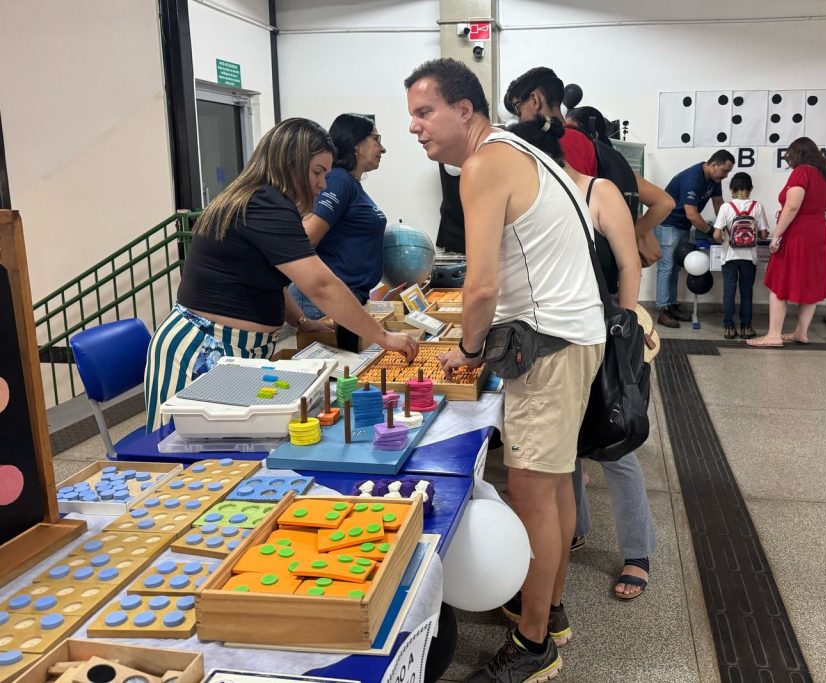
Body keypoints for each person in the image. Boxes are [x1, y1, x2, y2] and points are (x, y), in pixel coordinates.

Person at [405, 58, 605, 682]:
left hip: (549, 346)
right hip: (573, 336)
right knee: (554, 483)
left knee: (531, 494)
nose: (414, 126)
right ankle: (551, 607)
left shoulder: (484, 164)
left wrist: (467, 352)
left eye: (424, 112)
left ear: (464, 109)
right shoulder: (522, 151)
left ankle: (533, 644)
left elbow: (483, 284)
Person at [144, 118, 417, 431]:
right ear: (291, 164)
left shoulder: (267, 201)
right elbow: (320, 285)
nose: (323, 184)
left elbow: (271, 278)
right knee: (185, 451)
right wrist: (383, 337)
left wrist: (300, 321)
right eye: (317, 172)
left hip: (238, 348)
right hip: (201, 349)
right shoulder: (265, 203)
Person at [507, 114, 656, 602]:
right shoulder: (534, 197)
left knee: (615, 440)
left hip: (606, 329)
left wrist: (625, 328)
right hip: (558, 336)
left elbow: (630, 264)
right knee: (563, 446)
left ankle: (637, 551)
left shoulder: (598, 191)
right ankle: (573, 530)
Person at [287, 114, 388, 351]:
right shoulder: (338, 180)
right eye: (376, 139)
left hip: (345, 298)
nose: (382, 148)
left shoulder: (350, 183)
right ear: (356, 144)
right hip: (323, 302)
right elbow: (304, 240)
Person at [748, 137, 826, 347]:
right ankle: (801, 332)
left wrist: (777, 235)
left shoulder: (802, 172)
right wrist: (824, 209)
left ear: (796, 155)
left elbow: (793, 206)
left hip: (798, 232)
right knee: (811, 281)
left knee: (780, 282)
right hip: (819, 231)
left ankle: (773, 336)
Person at [566, 106, 674, 268]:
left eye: (573, 130)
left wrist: (629, 236)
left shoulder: (612, 166)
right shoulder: (608, 164)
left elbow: (665, 203)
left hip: (606, 261)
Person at [655, 151, 734, 328]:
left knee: (676, 268)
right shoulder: (693, 178)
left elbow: (719, 205)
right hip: (668, 224)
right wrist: (712, 231)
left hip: (683, 225)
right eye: (724, 171)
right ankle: (662, 310)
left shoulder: (715, 180)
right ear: (714, 165)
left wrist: (727, 228)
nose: (725, 176)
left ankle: (672, 305)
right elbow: (691, 214)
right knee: (666, 267)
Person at [503, 67, 597, 176]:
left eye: (517, 107)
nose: (519, 117)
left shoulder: (555, 143)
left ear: (535, 100)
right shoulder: (581, 139)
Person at [712, 172, 769, 340]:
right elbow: (763, 235)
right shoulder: (757, 206)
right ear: (750, 188)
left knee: (729, 291)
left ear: (731, 189)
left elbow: (716, 235)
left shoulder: (726, 207)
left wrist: (726, 239)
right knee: (746, 292)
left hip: (729, 257)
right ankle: (746, 327)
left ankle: (729, 328)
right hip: (749, 258)